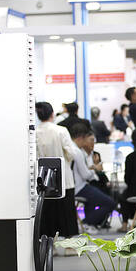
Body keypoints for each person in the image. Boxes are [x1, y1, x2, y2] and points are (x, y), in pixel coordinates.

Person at [35, 102, 80, 239]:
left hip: (44, 178)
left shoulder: (35, 132)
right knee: (67, 213)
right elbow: (71, 153)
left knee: (47, 214)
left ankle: (49, 244)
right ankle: (69, 245)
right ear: (52, 114)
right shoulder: (61, 130)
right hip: (64, 177)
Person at [70, 124, 117, 230]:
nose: (92, 143)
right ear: (81, 138)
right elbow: (85, 174)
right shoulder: (78, 152)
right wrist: (95, 168)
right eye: (89, 140)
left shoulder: (74, 149)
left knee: (95, 196)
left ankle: (90, 223)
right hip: (80, 187)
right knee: (110, 203)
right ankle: (87, 222)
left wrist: (92, 169)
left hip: (77, 186)